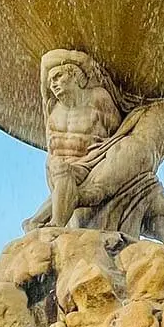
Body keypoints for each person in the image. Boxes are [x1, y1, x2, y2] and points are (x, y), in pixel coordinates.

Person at [38, 51, 122, 228]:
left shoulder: (98, 97)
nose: (53, 84)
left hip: (92, 164)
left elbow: (117, 131)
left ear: (75, 76)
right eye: (50, 81)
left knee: (63, 170)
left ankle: (56, 224)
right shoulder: (51, 106)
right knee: (60, 169)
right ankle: (44, 222)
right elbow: (45, 61)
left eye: (58, 76)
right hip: (55, 169)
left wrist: (83, 61)